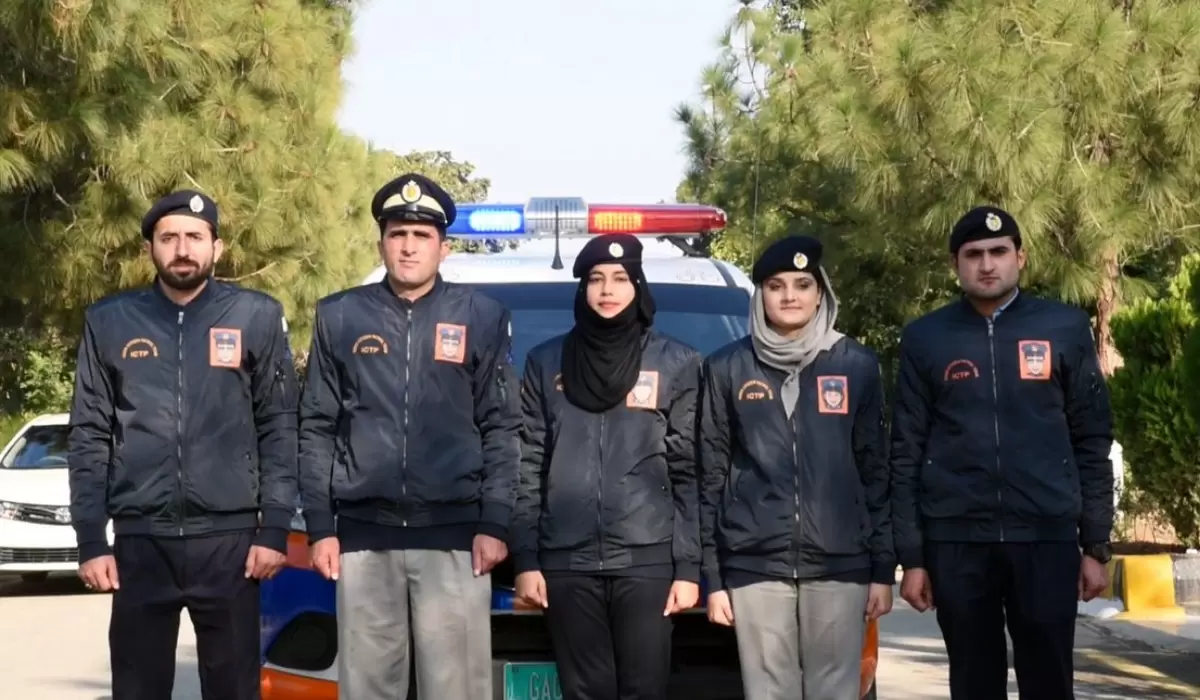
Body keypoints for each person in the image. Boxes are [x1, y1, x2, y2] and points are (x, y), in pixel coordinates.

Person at [67, 189, 300, 700]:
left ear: (217, 247)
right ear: (150, 247)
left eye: (195, 237)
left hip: (232, 545)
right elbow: (88, 433)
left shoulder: (255, 316)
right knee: (137, 689)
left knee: (235, 689)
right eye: (168, 238)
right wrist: (90, 537)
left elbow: (280, 426)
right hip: (141, 544)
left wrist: (275, 528)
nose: (182, 249)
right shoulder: (110, 321)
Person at [297, 173, 522, 700]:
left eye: (422, 236)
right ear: (382, 242)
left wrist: (494, 521)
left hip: (455, 539)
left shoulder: (482, 317)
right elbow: (316, 426)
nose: (408, 247)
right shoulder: (340, 315)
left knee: (456, 690)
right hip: (362, 537)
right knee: (369, 689)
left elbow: (501, 427)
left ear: (443, 247)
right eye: (398, 234)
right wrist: (320, 527)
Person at [889, 205, 1114, 700]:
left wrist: (1095, 544)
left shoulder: (1065, 328)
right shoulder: (926, 338)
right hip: (957, 541)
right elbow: (906, 450)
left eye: (998, 252)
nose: (987, 264)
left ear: (1021, 257)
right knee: (972, 682)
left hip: (1046, 538)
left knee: (1049, 681)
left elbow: (1092, 439)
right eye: (974, 255)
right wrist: (914, 557)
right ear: (956, 264)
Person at [697, 234, 895, 700]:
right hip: (754, 564)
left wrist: (883, 570)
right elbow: (710, 476)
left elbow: (876, 471)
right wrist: (714, 577)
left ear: (820, 292)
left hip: (841, 564)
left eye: (802, 284)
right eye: (775, 285)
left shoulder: (856, 364)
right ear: (760, 294)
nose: (789, 296)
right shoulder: (728, 367)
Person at [510, 234, 702, 700]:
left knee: (644, 690)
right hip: (566, 561)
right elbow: (528, 464)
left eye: (619, 278)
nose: (607, 289)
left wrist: (690, 568)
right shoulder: (545, 363)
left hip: (648, 559)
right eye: (596, 279)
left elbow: (689, 470)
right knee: (585, 692)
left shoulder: (676, 362)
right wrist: (527, 560)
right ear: (583, 289)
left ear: (637, 285)